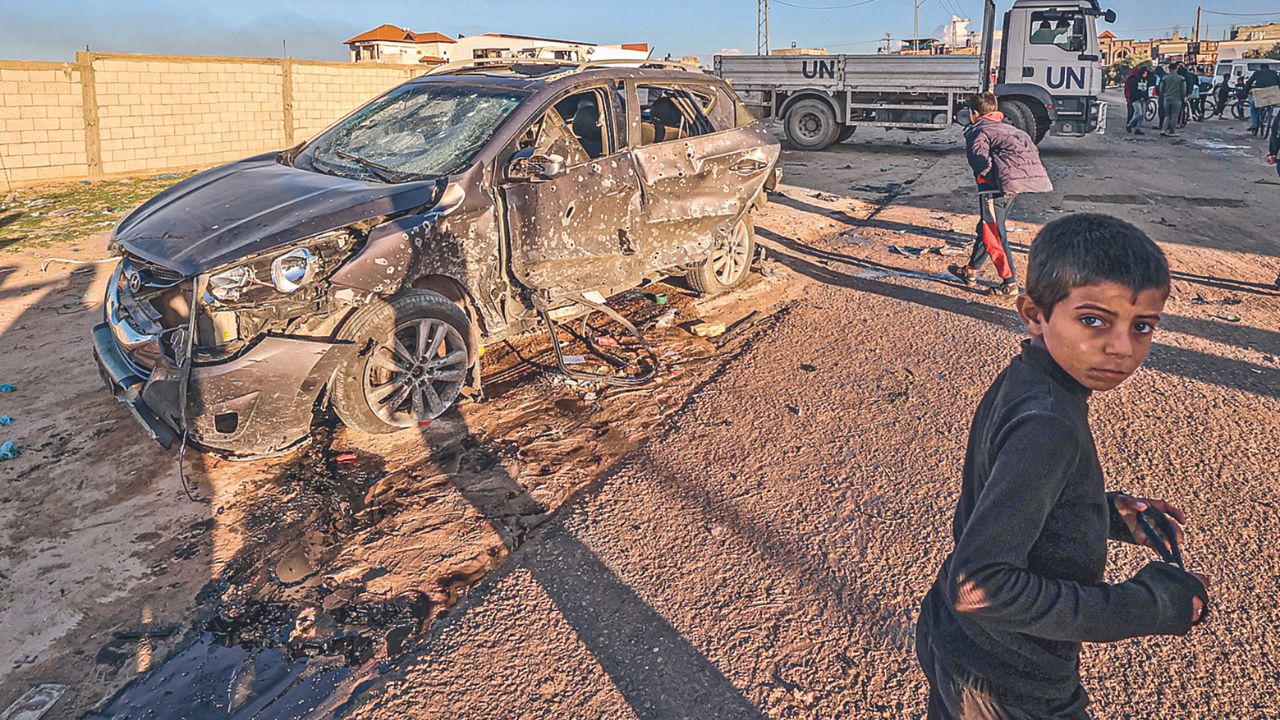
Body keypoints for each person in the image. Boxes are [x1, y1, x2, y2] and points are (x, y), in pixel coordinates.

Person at [918, 214, 1211, 720]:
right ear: (1034, 314)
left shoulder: (1032, 380)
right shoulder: (1050, 423)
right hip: (1012, 681)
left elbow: (1011, 496)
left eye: (1141, 326)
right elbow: (980, 585)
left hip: (962, 647)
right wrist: (1152, 604)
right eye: (1094, 320)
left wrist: (1106, 514)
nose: (1121, 347)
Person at [949, 92, 1052, 297]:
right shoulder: (1010, 129)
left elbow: (979, 161)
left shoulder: (978, 130)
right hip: (1013, 186)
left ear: (974, 113)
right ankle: (970, 271)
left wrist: (988, 178)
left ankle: (1009, 284)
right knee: (986, 228)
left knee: (994, 233)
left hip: (994, 188)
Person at [1243, 63, 1280, 134]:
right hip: (1272, 94)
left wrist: (1245, 91)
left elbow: (1249, 83)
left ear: (1261, 68)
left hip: (1260, 94)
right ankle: (1268, 116)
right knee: (1270, 104)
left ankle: (1254, 124)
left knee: (1254, 108)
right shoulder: (1274, 73)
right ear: (1268, 68)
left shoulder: (1257, 73)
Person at [1158, 63, 1186, 136]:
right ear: (1176, 69)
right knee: (1174, 116)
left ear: (1169, 69)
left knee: (1167, 115)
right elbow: (1183, 90)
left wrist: (1164, 94)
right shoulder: (1181, 79)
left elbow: (1161, 89)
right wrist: (1183, 98)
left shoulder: (1164, 78)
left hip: (1166, 98)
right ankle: (1171, 131)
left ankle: (1163, 130)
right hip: (1176, 99)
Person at [1124, 66, 1149, 135]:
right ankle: (1129, 124)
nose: (1146, 74)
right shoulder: (1134, 80)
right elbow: (1132, 90)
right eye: (1144, 73)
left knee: (1142, 115)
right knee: (1139, 114)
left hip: (1143, 100)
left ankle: (1138, 128)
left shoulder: (1146, 81)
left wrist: (1146, 98)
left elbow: (1146, 90)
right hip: (1135, 99)